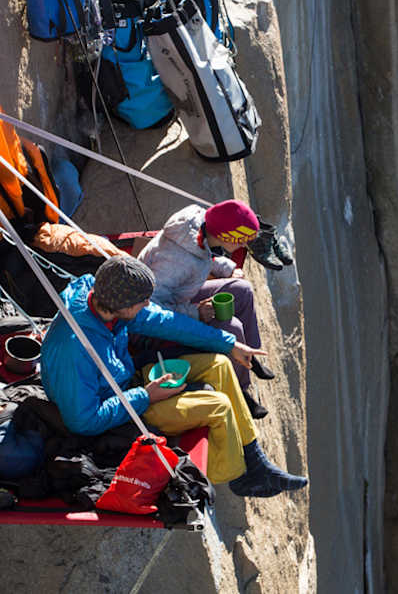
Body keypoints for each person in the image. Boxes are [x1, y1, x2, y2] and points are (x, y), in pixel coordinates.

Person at [40, 255, 306, 497]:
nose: (147, 303)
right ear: (122, 305)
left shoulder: (101, 298)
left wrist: (228, 344)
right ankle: (236, 476)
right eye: (142, 301)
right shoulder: (74, 349)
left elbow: (163, 320)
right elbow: (83, 421)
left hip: (126, 382)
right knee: (218, 406)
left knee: (219, 364)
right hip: (121, 417)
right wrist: (146, 395)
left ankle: (255, 460)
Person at [137, 200, 275, 418]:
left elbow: (202, 253)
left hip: (179, 295)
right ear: (228, 236)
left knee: (242, 289)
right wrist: (195, 313)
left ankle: (251, 355)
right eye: (241, 240)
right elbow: (147, 308)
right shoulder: (175, 261)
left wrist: (227, 268)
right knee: (231, 327)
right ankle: (240, 389)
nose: (242, 245)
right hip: (152, 325)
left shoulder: (199, 225)